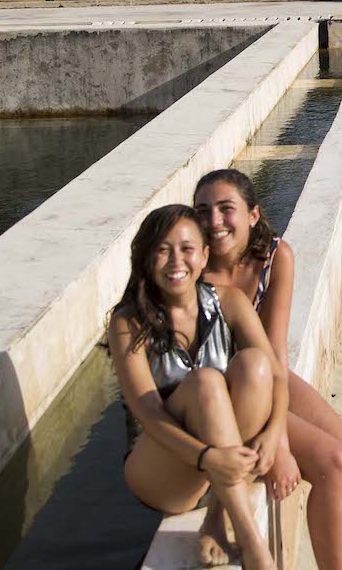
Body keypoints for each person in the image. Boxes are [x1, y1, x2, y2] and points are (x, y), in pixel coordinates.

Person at [194, 168, 342, 570]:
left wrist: (277, 438)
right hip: (224, 395)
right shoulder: (192, 269)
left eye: (226, 209)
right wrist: (276, 447)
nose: (214, 222)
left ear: (253, 215)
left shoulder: (274, 257)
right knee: (334, 465)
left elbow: (275, 350)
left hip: (268, 375)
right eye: (203, 211)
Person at [109, 203, 289, 569]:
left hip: (223, 463)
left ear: (204, 255)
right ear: (145, 258)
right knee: (206, 382)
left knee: (255, 364)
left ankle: (217, 517)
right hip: (161, 469)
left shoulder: (230, 302)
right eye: (162, 250)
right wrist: (207, 457)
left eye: (187, 249)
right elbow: (149, 414)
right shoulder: (129, 322)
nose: (177, 261)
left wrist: (274, 432)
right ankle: (254, 546)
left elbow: (276, 376)